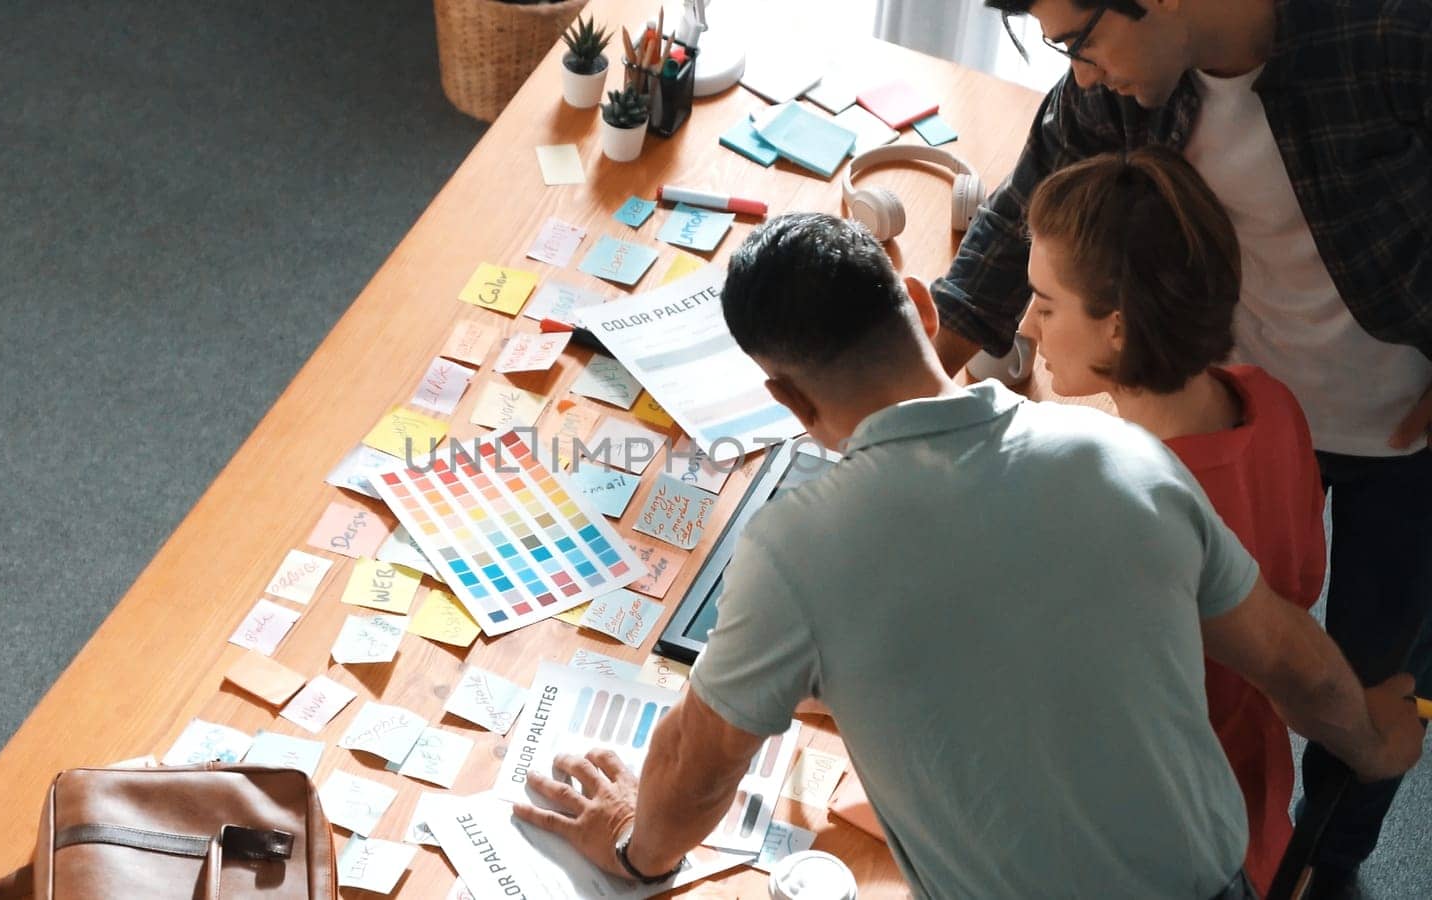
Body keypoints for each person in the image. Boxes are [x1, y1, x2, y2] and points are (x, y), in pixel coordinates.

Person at [512, 213, 1424, 899]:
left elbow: (701, 766)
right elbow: (1285, 653)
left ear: (787, 400)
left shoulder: (795, 549)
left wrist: (635, 845)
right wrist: (1368, 738)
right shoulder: (1124, 455)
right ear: (916, 303)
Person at [932, 4, 1432, 890]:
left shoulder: (1389, 31)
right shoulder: (1127, 83)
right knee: (1271, 620)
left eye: (1078, 40)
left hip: (1402, 430)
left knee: (1364, 673)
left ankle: (1329, 862)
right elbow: (1026, 209)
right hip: (1251, 395)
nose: (1077, 72)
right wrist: (905, 385)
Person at [1019, 145, 1326, 892]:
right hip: (1254, 788)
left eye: (1047, 303)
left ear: (1117, 328)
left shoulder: (1121, 503)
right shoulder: (1267, 398)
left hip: (1159, 833)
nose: (1026, 325)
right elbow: (1306, 575)